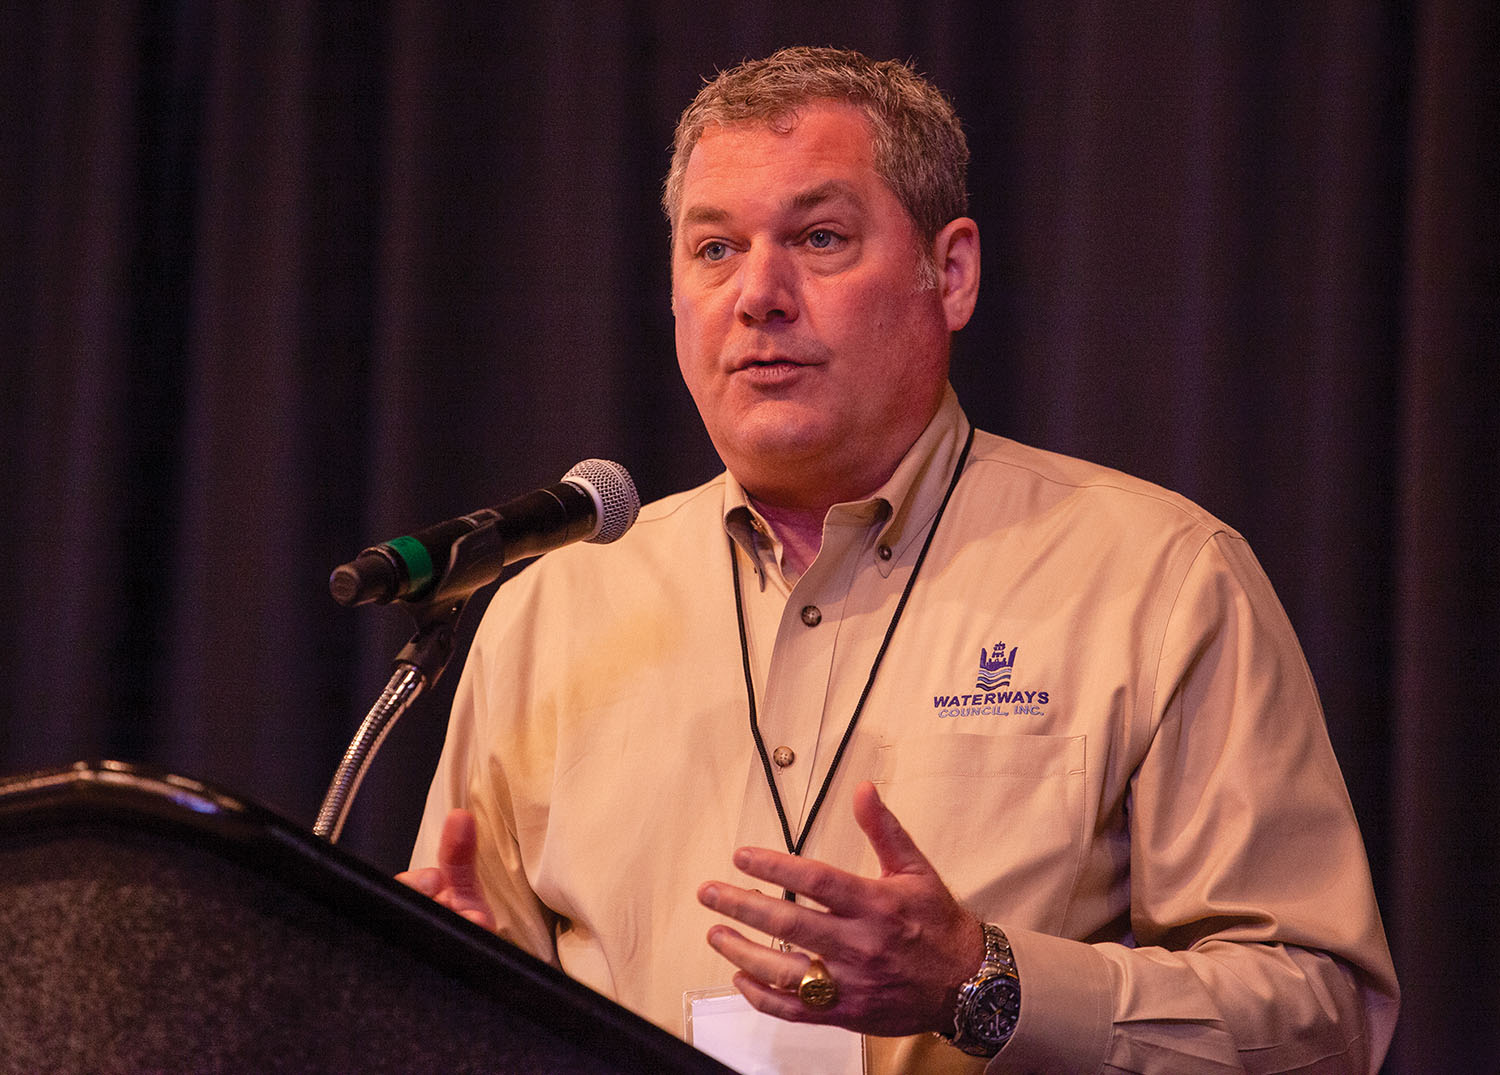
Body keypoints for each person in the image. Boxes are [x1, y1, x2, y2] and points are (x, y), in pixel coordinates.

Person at [400, 46, 1399, 1072]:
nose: (758, 296)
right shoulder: (556, 603)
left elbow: (1318, 1019)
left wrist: (982, 982)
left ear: (949, 272)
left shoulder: (1162, 578)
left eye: (820, 237)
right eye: (713, 250)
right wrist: (443, 990)